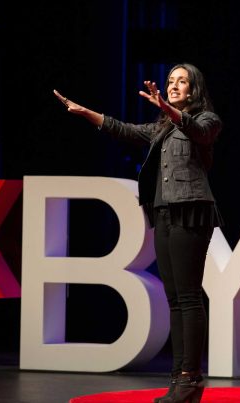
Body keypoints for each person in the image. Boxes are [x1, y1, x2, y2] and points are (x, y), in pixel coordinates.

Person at [54, 63, 223, 403]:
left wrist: (166, 108)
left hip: (190, 211)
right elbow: (125, 130)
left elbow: (198, 133)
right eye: (170, 81)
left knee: (188, 297)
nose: (174, 85)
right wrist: (86, 112)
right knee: (174, 298)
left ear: (193, 90)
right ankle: (180, 378)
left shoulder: (207, 119)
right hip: (162, 212)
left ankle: (191, 378)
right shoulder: (161, 128)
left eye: (181, 82)